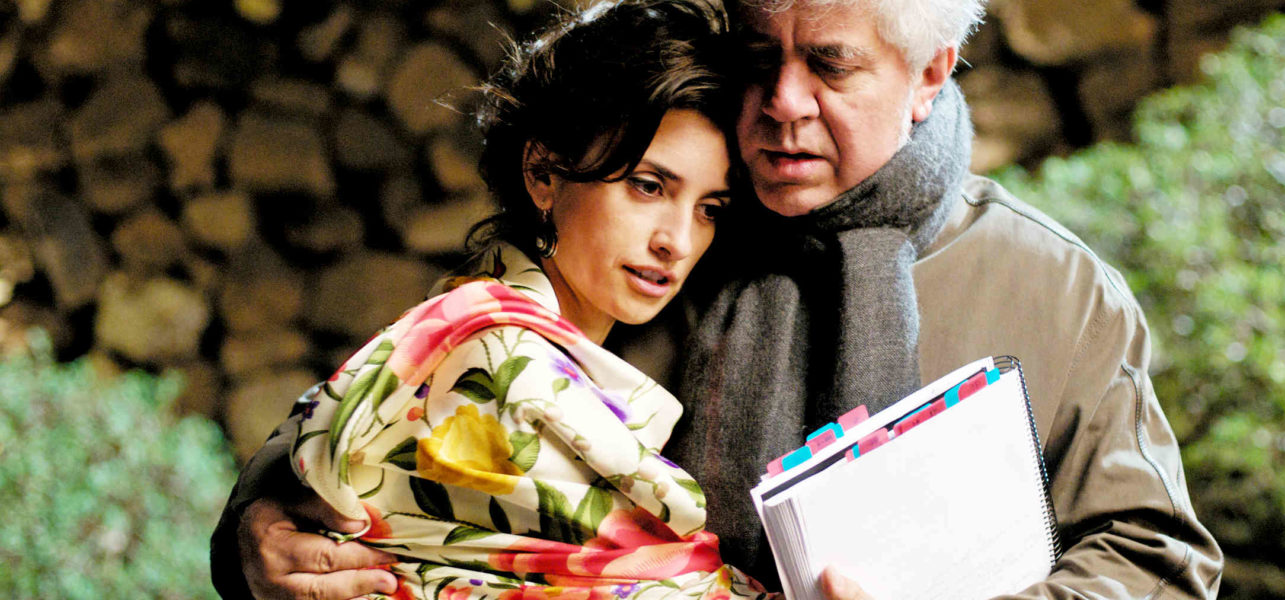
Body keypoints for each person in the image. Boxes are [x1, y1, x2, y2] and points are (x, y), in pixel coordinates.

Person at [215, 0, 1227, 597]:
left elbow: (1157, 560)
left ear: (929, 74)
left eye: (828, 64)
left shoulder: (1050, 287)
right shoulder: (663, 229)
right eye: (758, 60)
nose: (781, 104)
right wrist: (254, 533)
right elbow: (389, 412)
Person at [213, 1, 777, 598]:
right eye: (647, 186)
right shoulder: (499, 366)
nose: (677, 241)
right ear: (543, 173)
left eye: (709, 209)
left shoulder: (461, 326)